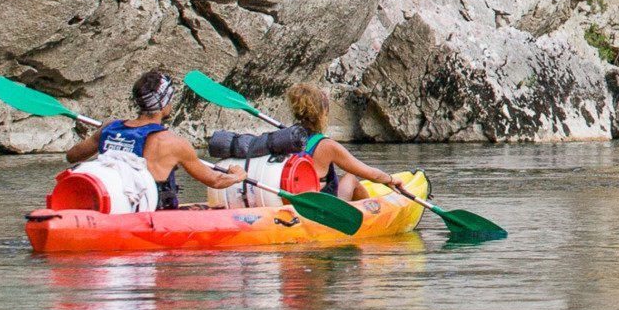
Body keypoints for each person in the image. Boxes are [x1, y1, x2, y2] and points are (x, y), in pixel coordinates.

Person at [67, 69, 245, 209]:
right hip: (151, 215)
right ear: (164, 103)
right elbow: (215, 181)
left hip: (110, 204)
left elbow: (72, 156)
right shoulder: (173, 143)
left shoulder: (110, 128)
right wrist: (238, 176)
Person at [210, 81, 404, 203]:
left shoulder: (283, 138)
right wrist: (390, 179)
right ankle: (368, 213)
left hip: (288, 199)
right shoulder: (328, 146)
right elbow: (371, 174)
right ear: (323, 114)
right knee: (350, 178)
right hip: (317, 204)